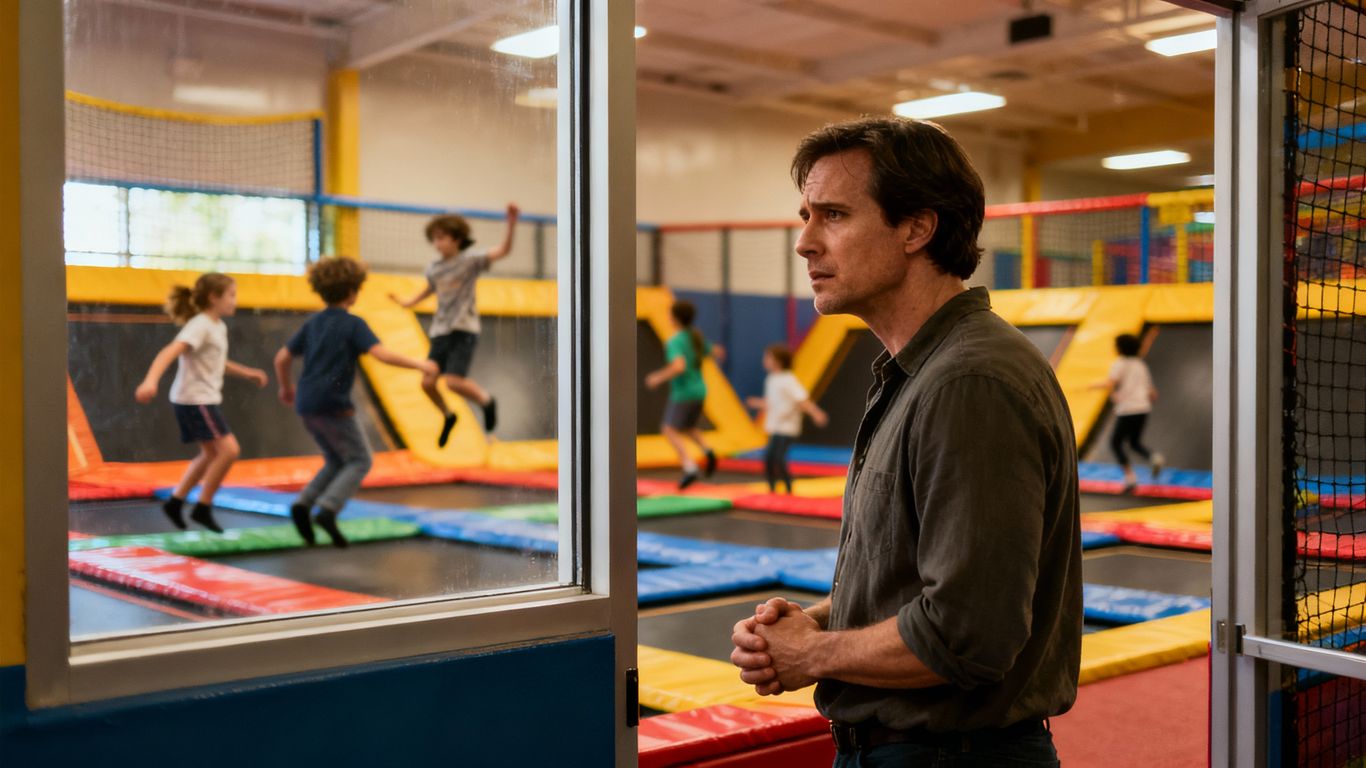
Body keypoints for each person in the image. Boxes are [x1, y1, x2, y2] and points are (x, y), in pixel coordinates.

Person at [728, 117, 1081, 766]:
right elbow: (916, 580)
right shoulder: (917, 373)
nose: (804, 243)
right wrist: (820, 621)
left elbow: (970, 632)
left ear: (917, 228)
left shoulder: (970, 381)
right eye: (805, 214)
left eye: (832, 214)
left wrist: (812, 655)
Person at [275, 256, 438, 548]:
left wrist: (286, 388)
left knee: (337, 459)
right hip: (334, 404)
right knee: (361, 460)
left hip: (306, 403)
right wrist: (419, 364)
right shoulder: (353, 324)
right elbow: (381, 354)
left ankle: (304, 503)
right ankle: (327, 509)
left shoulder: (313, 323)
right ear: (352, 291)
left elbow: (282, 358)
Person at [135, 273, 268, 534]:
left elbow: (217, 362)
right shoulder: (201, 324)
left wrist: (247, 372)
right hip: (195, 401)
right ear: (213, 297)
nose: (235, 301)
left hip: (199, 399)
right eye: (231, 295)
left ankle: (176, 502)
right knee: (229, 450)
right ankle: (203, 507)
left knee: (210, 454)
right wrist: (150, 381)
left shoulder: (218, 326)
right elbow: (169, 351)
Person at [389, 203, 519, 447]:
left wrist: (511, 224)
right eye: (434, 239)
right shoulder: (434, 268)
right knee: (427, 382)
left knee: (452, 382)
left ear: (457, 239)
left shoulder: (471, 261)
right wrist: (407, 302)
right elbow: (430, 289)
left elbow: (503, 250)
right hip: (441, 331)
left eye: (442, 238)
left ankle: (487, 401)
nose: (437, 244)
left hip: (463, 329)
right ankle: (449, 416)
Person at [645, 300, 725, 490]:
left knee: (668, 429)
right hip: (700, 390)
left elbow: (678, 366)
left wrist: (657, 377)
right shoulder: (694, 336)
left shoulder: (676, 341)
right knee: (689, 427)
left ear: (674, 318)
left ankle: (689, 467)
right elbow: (716, 351)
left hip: (684, 393)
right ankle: (708, 450)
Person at [745, 343, 828, 494]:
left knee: (777, 458)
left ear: (778, 361)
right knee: (769, 458)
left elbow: (801, 399)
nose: (765, 360)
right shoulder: (771, 379)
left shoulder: (788, 379)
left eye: (768, 357)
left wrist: (816, 413)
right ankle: (772, 489)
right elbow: (773, 402)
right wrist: (757, 403)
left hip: (787, 428)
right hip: (775, 426)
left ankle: (788, 489)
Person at [1100, 333, 1165, 492]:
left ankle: (1130, 478)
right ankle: (1153, 457)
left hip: (1127, 409)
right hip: (1142, 408)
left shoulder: (1120, 364)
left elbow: (1111, 383)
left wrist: (1113, 395)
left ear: (1120, 348)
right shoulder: (1140, 365)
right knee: (1134, 442)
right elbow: (1153, 393)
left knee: (1115, 443)